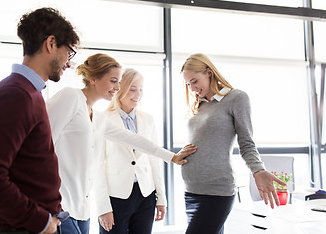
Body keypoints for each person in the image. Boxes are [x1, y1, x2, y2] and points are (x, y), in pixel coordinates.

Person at [45, 53, 196, 234]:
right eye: (113, 81)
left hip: (81, 207)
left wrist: (172, 157)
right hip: (59, 202)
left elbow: (135, 140)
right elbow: (41, 143)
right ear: (93, 78)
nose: (117, 87)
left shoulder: (98, 118)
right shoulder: (70, 97)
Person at [0, 7, 79, 234]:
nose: (69, 62)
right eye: (69, 52)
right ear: (51, 43)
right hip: (23, 228)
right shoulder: (15, 95)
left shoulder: (27, 93)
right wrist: (40, 221)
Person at [180, 53, 286, 234]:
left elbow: (246, 142)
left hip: (217, 191)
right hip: (191, 190)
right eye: (188, 84)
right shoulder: (200, 105)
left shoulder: (236, 98)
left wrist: (258, 170)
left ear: (208, 73)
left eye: (194, 81)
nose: (192, 88)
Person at [94, 68, 166, 234]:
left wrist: (161, 198)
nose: (138, 94)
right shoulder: (102, 119)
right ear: (120, 89)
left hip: (145, 195)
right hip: (116, 197)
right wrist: (103, 207)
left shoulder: (148, 119)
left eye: (141, 89)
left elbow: (154, 160)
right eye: (132, 89)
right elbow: (96, 166)